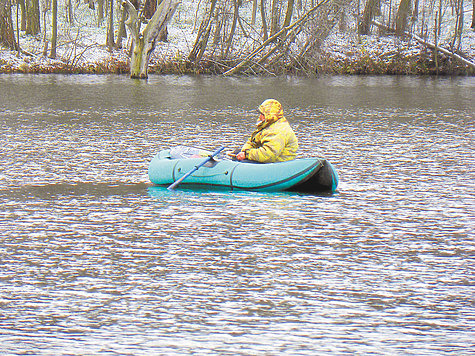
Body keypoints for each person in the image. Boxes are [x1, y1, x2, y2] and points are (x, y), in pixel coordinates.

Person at [236, 99, 298, 163]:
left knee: (245, 162)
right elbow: (252, 141)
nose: (260, 116)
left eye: (262, 114)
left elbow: (268, 155)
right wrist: (244, 151)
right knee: (237, 153)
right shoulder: (267, 124)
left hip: (278, 164)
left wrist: (247, 154)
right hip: (267, 161)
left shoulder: (278, 131)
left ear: (269, 115)